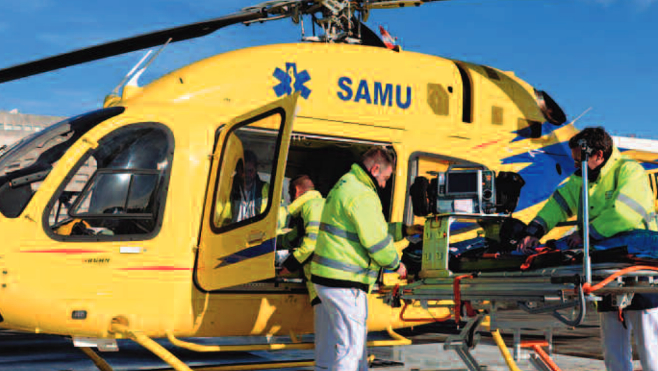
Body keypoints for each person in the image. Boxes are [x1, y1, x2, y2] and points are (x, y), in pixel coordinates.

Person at [517, 127, 658, 371]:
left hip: (639, 266)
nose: (575, 165)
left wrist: (586, 235)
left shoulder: (629, 171)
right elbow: (558, 205)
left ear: (599, 155)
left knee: (650, 348)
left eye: (579, 159)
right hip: (604, 270)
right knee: (613, 352)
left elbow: (625, 213)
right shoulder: (581, 178)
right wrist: (534, 232)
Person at [311, 147, 423, 371]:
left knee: (330, 350)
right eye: (385, 178)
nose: (384, 184)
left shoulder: (346, 183)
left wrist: (405, 230)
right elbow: (376, 242)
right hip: (346, 282)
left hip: (325, 279)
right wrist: (395, 264)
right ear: (375, 169)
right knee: (351, 349)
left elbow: (367, 229)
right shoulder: (363, 194)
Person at [276, 175, 331, 368]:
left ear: (297, 191)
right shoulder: (319, 206)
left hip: (324, 286)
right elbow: (295, 237)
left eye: (291, 194)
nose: (291, 200)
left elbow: (310, 244)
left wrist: (288, 266)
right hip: (325, 285)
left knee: (327, 347)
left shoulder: (312, 206)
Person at [231, 150, 270, 223]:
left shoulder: (266, 189)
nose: (246, 174)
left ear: (256, 170)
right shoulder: (229, 188)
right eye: (243, 170)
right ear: (237, 169)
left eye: (250, 171)